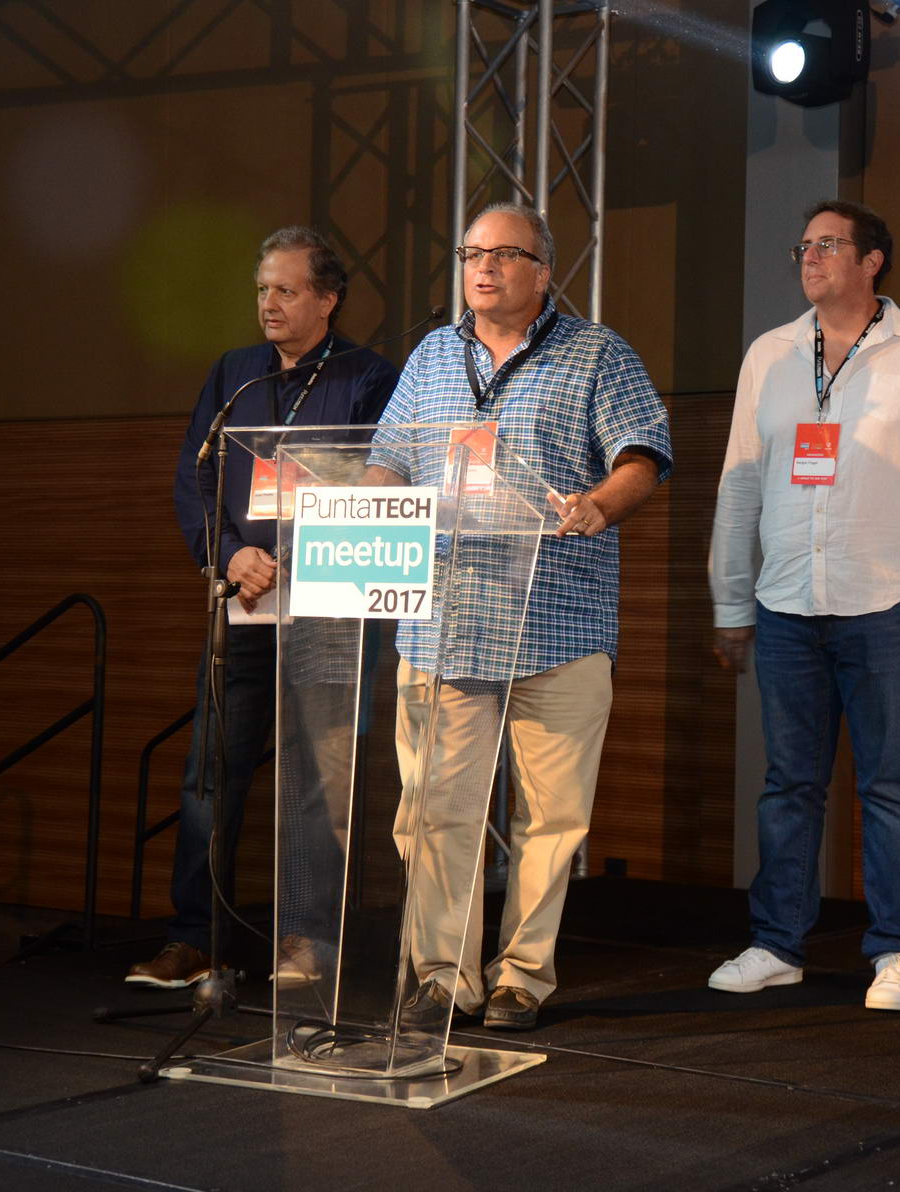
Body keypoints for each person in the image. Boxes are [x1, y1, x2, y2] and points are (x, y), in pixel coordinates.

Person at [364, 202, 671, 1030]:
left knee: (552, 818)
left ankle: (520, 979)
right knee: (433, 810)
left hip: (557, 620)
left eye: (504, 254)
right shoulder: (431, 355)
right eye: (471, 253)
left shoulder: (597, 352)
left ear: (545, 271)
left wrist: (600, 506)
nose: (484, 268)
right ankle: (444, 978)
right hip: (445, 619)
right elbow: (389, 457)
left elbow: (643, 452)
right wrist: (361, 507)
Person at [707, 199, 900, 1012]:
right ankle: (777, 944)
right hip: (788, 602)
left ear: (875, 261)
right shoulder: (769, 354)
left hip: (889, 599)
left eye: (830, 244)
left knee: (893, 784)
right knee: (788, 783)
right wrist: (732, 600)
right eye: (803, 245)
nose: (811, 257)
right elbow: (739, 484)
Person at [126, 227, 400, 989]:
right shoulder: (235, 376)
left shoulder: (371, 377)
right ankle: (194, 937)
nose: (268, 304)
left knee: (320, 778)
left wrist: (299, 557)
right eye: (261, 290)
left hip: (328, 605)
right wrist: (228, 555)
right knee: (211, 773)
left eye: (284, 290)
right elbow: (196, 474)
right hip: (243, 598)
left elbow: (383, 482)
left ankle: (310, 939)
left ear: (328, 298)